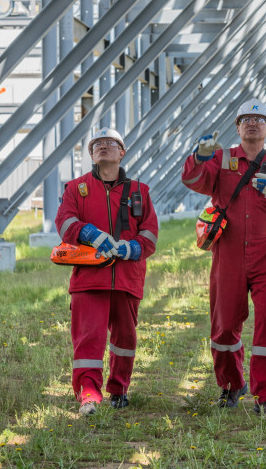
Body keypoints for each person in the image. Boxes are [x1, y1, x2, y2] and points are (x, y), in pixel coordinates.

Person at [181, 98, 266, 414]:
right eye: (246, 119)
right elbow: (192, 179)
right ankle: (230, 384)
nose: (252, 123)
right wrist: (200, 156)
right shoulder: (221, 159)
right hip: (228, 256)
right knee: (224, 326)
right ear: (237, 127)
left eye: (259, 119)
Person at [55, 127, 159, 416]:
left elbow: (150, 233)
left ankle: (119, 389)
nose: (103, 146)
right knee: (88, 339)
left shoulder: (140, 191)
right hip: (89, 279)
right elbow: (64, 222)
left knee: (125, 339)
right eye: (97, 143)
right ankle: (89, 395)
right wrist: (88, 233)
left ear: (121, 152)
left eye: (110, 143)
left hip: (127, 278)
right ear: (91, 154)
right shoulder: (76, 188)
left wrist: (133, 248)